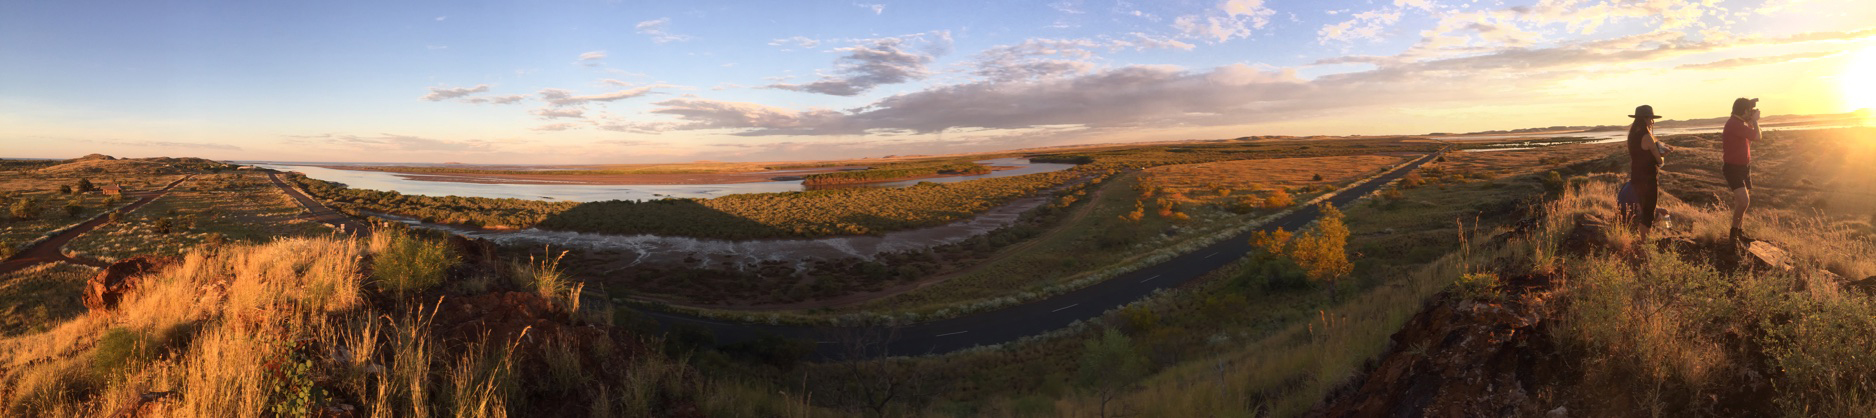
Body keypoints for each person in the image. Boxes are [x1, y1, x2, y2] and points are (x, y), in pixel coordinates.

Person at [1722, 97, 1761, 244]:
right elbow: (1758, 137)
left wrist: (1751, 122)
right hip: (1733, 168)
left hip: (1743, 167)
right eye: (1749, 111)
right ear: (1744, 111)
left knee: (1741, 203)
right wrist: (1755, 121)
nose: (1750, 113)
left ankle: (1738, 233)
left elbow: (1750, 139)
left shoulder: (1738, 123)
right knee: (1744, 202)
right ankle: (1733, 234)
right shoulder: (1734, 124)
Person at [1627, 105, 1669, 237]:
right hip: (1648, 179)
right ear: (1645, 119)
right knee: (1648, 213)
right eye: (1651, 118)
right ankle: (1645, 244)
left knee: (1645, 211)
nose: (1653, 122)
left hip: (1636, 178)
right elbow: (1659, 161)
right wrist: (1663, 154)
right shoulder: (1647, 136)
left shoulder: (1632, 135)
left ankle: (1643, 241)